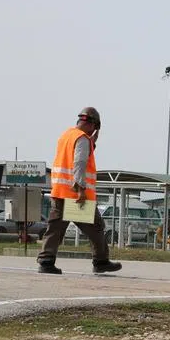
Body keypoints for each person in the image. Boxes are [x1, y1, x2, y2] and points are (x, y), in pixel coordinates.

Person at [37, 106, 122, 275]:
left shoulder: (66, 136)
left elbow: (72, 158)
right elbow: (79, 163)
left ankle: (46, 262)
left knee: (55, 229)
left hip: (60, 192)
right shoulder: (82, 139)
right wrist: (81, 190)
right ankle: (101, 262)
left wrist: (93, 143)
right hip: (76, 196)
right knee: (97, 228)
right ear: (92, 125)